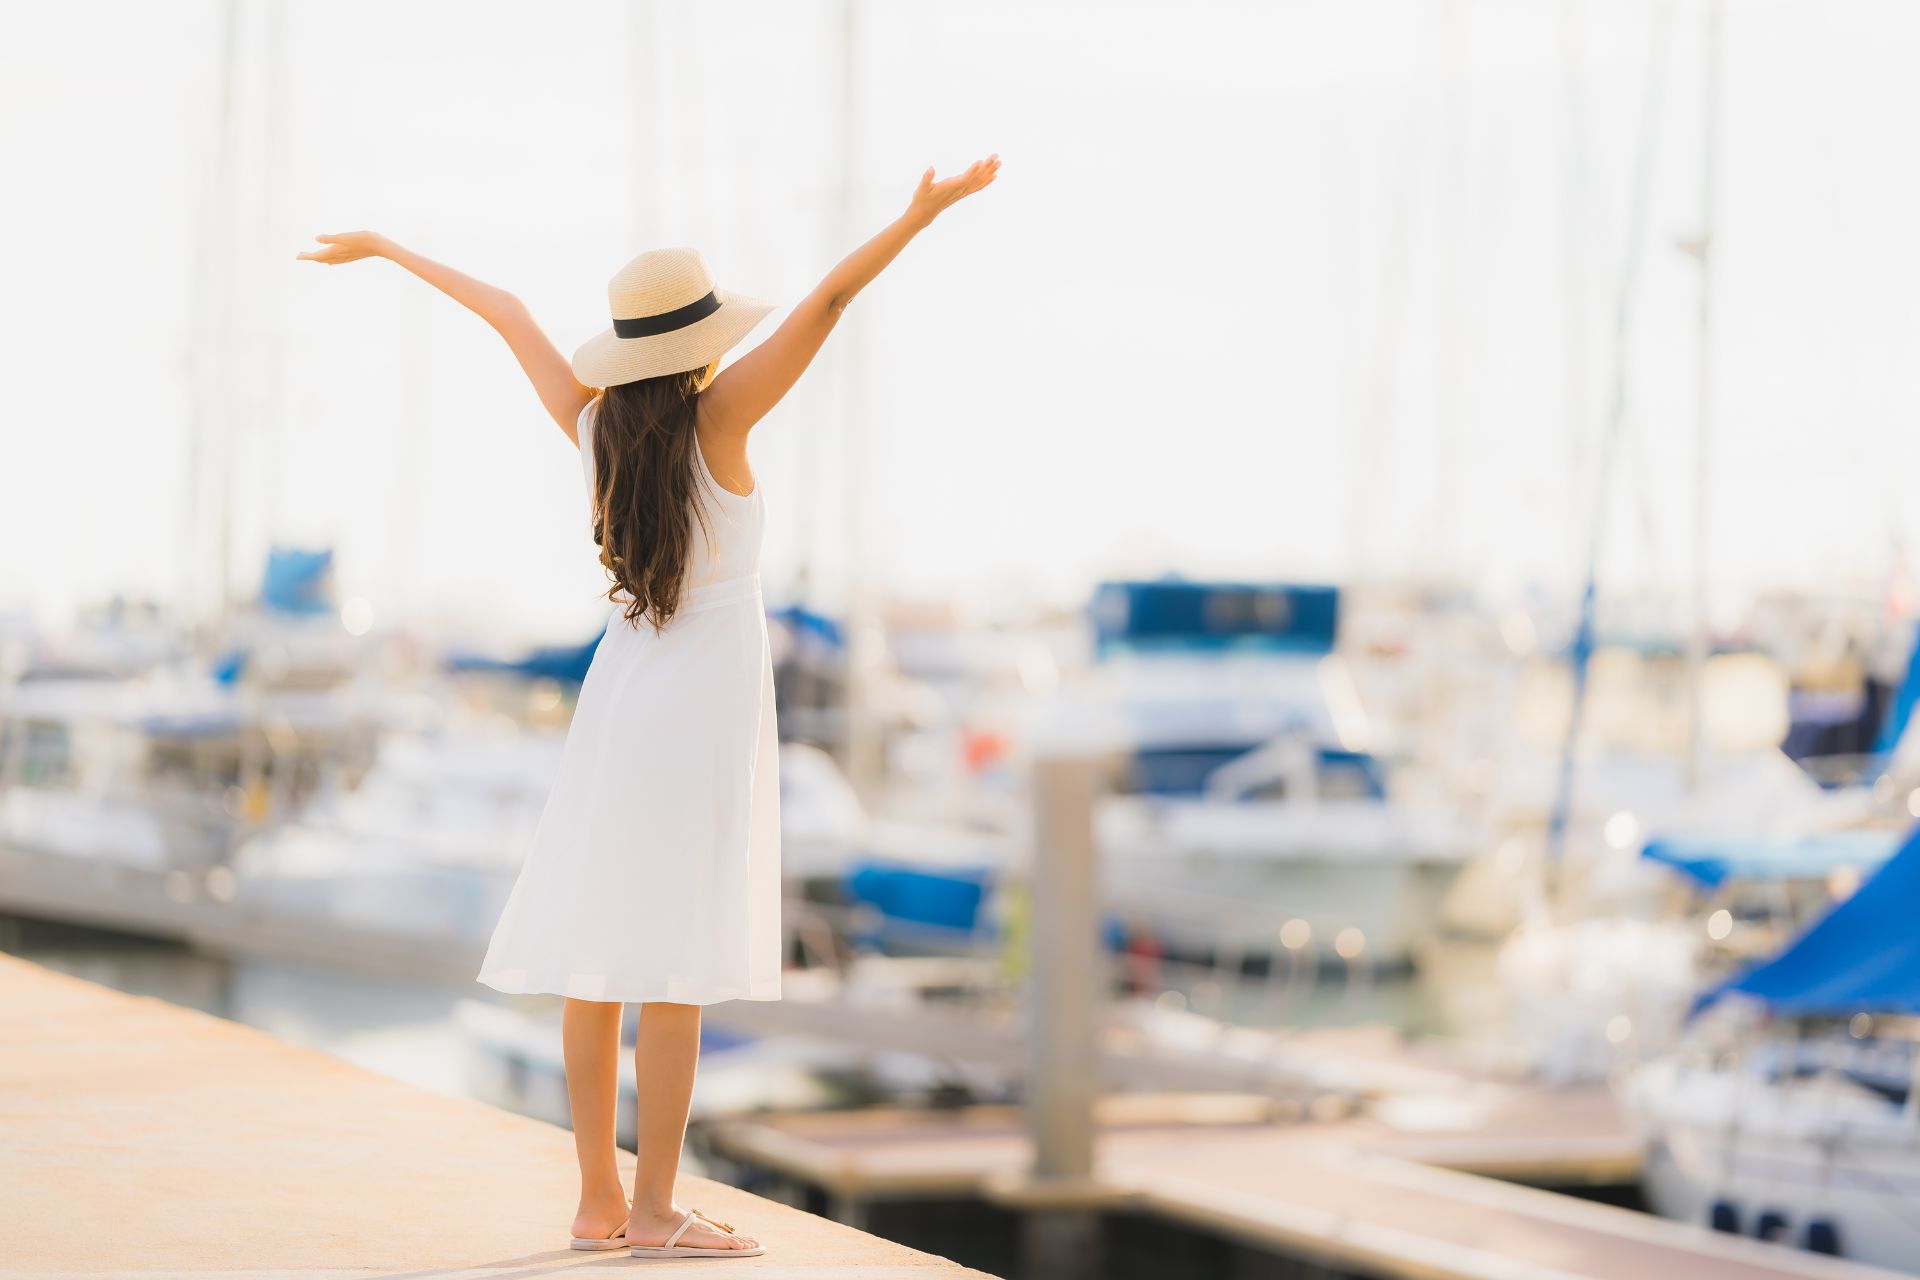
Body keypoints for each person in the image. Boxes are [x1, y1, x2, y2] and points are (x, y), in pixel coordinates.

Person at [298, 154, 997, 1259]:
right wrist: (919, 214)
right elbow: (828, 301)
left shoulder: (592, 426)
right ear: (702, 339)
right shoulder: (723, 421)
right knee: (676, 959)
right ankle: (658, 1206)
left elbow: (510, 310)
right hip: (706, 705)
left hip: (619, 699)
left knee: (600, 950)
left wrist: (386, 247)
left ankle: (594, 1199)